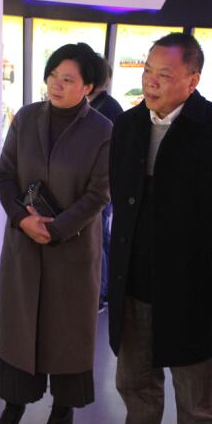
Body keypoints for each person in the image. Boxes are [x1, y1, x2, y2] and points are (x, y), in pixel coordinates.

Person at [108, 32, 212, 424]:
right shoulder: (128, 126)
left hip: (191, 295)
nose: (151, 81)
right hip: (134, 288)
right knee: (136, 392)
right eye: (147, 71)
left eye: (164, 75)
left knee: (197, 404)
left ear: (193, 79)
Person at [0, 42, 111, 424]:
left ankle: (63, 413)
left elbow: (99, 193)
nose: (56, 85)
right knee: (18, 328)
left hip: (71, 249)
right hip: (24, 244)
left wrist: (57, 228)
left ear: (88, 86)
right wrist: (22, 219)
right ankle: (12, 407)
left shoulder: (102, 130)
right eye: (53, 76)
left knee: (67, 334)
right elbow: (4, 175)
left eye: (68, 79)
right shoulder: (26, 118)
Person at [88, 53, 123, 309]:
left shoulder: (103, 111)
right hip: (108, 184)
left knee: (99, 237)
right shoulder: (107, 106)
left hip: (102, 186)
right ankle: (107, 291)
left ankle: (101, 294)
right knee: (104, 237)